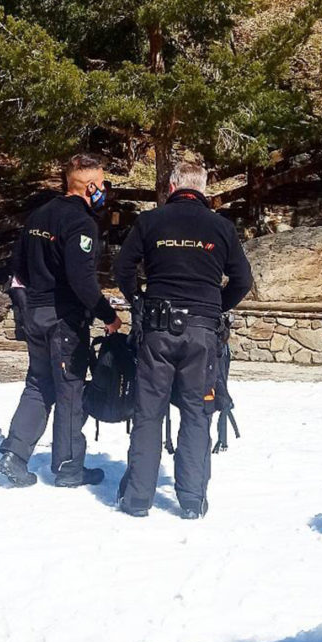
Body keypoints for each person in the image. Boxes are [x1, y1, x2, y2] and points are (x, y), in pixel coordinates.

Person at [113, 161, 252, 519]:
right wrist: (215, 307)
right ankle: (192, 501)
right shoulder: (222, 227)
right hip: (203, 334)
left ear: (173, 185)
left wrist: (138, 301)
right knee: (196, 413)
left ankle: (138, 499)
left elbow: (122, 268)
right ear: (203, 189)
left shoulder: (150, 221)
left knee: (148, 413)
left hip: (157, 331)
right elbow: (242, 280)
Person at [0, 153, 122, 488]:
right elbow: (82, 280)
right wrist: (108, 316)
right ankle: (69, 468)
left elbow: (18, 266)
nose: (105, 190)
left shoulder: (39, 214)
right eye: (103, 183)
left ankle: (15, 454)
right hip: (62, 320)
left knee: (38, 384)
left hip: (33, 313)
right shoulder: (81, 223)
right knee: (69, 390)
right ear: (91, 186)